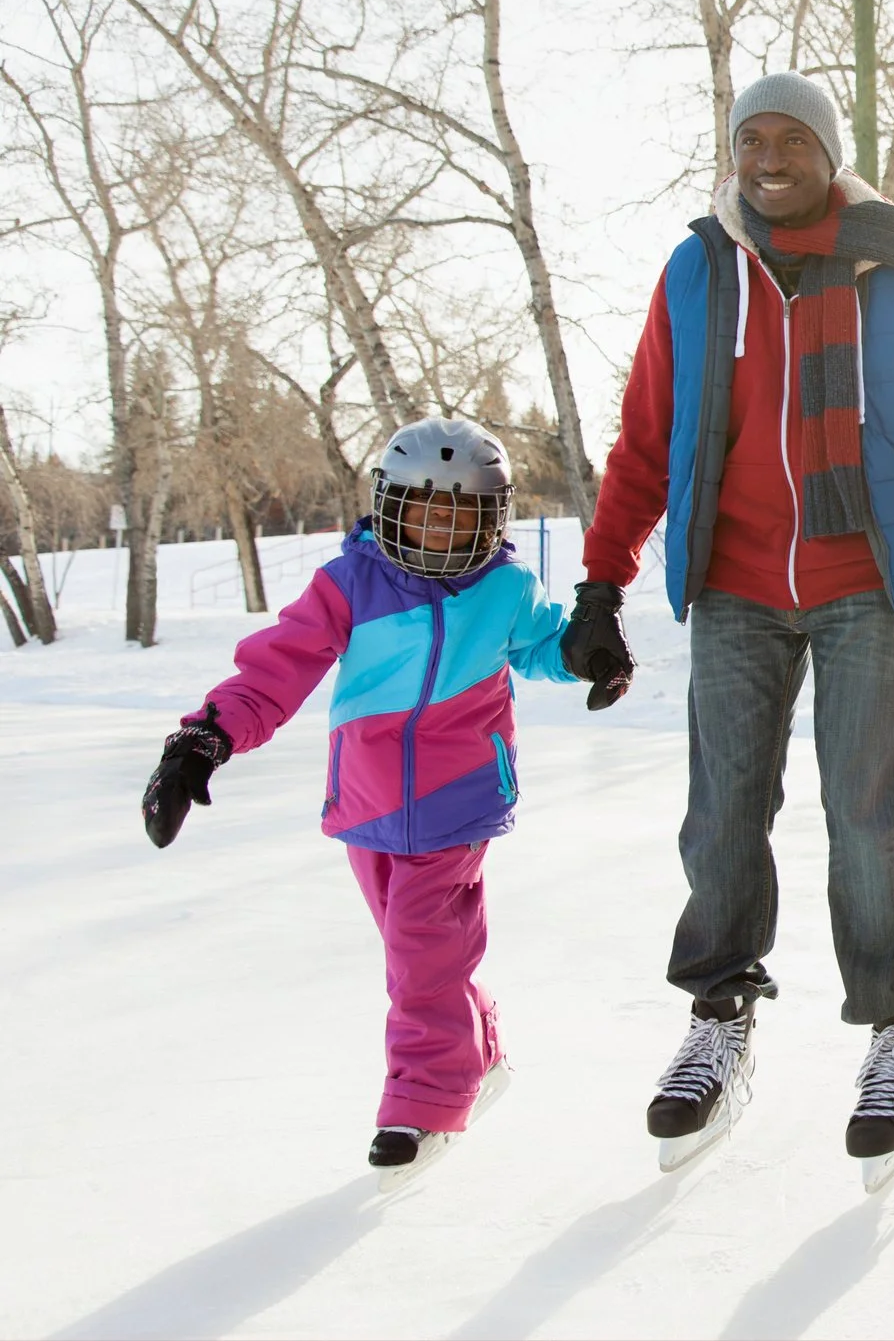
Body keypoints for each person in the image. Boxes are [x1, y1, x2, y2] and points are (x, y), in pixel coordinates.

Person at [565, 71, 894, 1183]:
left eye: (792, 138)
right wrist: (600, 585)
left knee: (868, 819)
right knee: (722, 814)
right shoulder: (700, 271)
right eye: (752, 139)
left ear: (829, 154)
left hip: (866, 579)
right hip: (735, 583)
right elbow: (646, 436)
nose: (769, 158)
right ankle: (718, 1011)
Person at [138, 419, 575, 1184]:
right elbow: (276, 670)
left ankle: (425, 1102)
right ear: (390, 508)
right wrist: (205, 738)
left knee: (420, 950)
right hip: (368, 803)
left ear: (489, 517)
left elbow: (544, 647)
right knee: (420, 953)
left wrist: (588, 651)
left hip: (458, 798)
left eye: (458, 513)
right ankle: (478, 1044)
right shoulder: (349, 583)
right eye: (423, 509)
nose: (438, 527)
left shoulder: (506, 586)